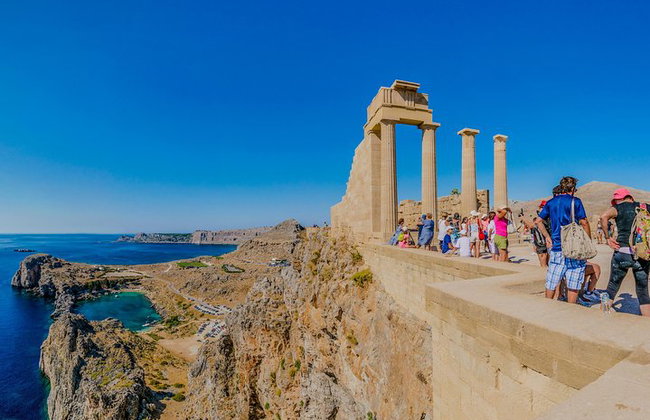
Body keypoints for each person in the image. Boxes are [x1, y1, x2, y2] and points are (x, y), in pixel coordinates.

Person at [535, 176, 591, 304]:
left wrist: (547, 237)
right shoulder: (575, 201)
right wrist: (588, 241)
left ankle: (547, 306)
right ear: (572, 188)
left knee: (552, 280)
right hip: (573, 248)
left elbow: (538, 221)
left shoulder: (551, 202)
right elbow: (584, 222)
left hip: (556, 247)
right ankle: (570, 309)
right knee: (573, 281)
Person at [600, 188, 650, 317]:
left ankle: (603, 314)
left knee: (612, 286)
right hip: (641, 255)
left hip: (622, 253)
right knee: (643, 291)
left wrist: (607, 238)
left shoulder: (618, 208)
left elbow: (603, 216)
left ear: (619, 199)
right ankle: (646, 321)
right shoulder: (645, 207)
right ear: (631, 197)